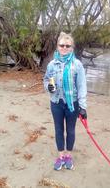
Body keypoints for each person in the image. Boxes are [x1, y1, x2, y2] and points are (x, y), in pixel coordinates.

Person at [43, 32, 87, 171]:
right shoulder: (51, 64)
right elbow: (46, 80)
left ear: (72, 48)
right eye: (61, 45)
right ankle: (61, 156)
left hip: (72, 104)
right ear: (57, 47)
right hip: (56, 102)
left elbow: (82, 86)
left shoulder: (77, 65)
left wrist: (83, 106)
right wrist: (48, 87)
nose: (64, 48)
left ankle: (68, 156)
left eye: (67, 46)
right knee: (58, 130)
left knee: (71, 131)